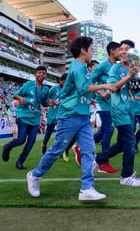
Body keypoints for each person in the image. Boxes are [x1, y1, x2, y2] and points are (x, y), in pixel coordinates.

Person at [26, 36, 117, 200]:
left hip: (82, 116)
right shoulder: (76, 67)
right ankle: (34, 175)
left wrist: (100, 93)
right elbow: (83, 88)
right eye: (90, 49)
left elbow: (84, 88)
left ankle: (87, 188)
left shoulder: (82, 68)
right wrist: (104, 86)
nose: (92, 52)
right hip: (69, 116)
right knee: (57, 150)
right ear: (83, 50)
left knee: (89, 150)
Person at [94, 39, 140, 187]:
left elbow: (134, 89)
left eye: (126, 49)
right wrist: (129, 75)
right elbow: (113, 87)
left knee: (122, 144)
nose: (122, 52)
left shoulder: (134, 68)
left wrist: (139, 80)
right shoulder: (115, 68)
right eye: (121, 49)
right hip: (118, 108)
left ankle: (98, 160)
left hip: (130, 109)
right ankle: (126, 176)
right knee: (130, 141)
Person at [2, 66, 51, 170]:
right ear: (35, 74)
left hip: (35, 118)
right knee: (21, 140)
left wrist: (50, 103)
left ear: (46, 76)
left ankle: (20, 162)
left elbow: (44, 103)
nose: (41, 75)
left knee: (32, 141)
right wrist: (21, 98)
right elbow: (16, 95)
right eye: (39, 73)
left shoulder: (46, 89)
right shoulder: (28, 85)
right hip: (24, 115)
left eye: (43, 73)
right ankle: (7, 146)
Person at [90, 42, 121, 173]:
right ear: (112, 51)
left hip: (114, 104)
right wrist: (101, 92)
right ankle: (103, 163)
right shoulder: (103, 65)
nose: (122, 53)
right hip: (103, 103)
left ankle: (82, 146)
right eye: (120, 50)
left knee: (105, 130)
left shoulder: (119, 67)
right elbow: (88, 80)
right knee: (109, 130)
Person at [41, 73, 67, 156]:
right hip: (52, 114)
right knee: (49, 132)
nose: (65, 84)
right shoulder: (54, 88)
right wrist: (54, 101)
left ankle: (62, 149)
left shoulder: (68, 89)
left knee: (62, 132)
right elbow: (46, 99)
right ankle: (44, 145)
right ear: (60, 81)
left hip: (63, 114)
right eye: (64, 82)